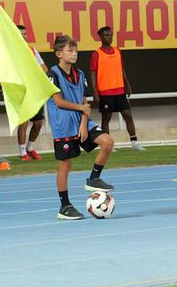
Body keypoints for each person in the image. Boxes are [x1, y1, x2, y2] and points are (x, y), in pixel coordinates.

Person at [46, 35, 115, 221]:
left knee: (107, 142)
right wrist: (81, 109)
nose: (74, 53)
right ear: (59, 54)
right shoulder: (52, 74)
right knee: (65, 165)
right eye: (70, 50)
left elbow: (85, 102)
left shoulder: (81, 74)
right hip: (64, 126)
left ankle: (93, 178)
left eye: (75, 50)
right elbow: (58, 101)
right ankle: (65, 206)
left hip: (81, 121)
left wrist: (84, 123)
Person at [89, 26, 145, 151]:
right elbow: (93, 73)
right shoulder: (96, 54)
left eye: (110, 34)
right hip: (105, 91)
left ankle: (134, 143)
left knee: (128, 115)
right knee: (106, 118)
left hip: (119, 90)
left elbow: (121, 68)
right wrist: (95, 91)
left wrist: (127, 83)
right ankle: (107, 145)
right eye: (106, 35)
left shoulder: (117, 51)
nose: (109, 37)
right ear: (100, 37)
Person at [16, 24, 45, 161]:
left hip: (34, 91)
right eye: (20, 34)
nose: (23, 36)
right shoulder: (12, 52)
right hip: (21, 91)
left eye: (25, 34)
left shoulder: (32, 50)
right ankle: (22, 152)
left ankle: (30, 147)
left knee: (39, 122)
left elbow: (44, 68)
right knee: (24, 123)